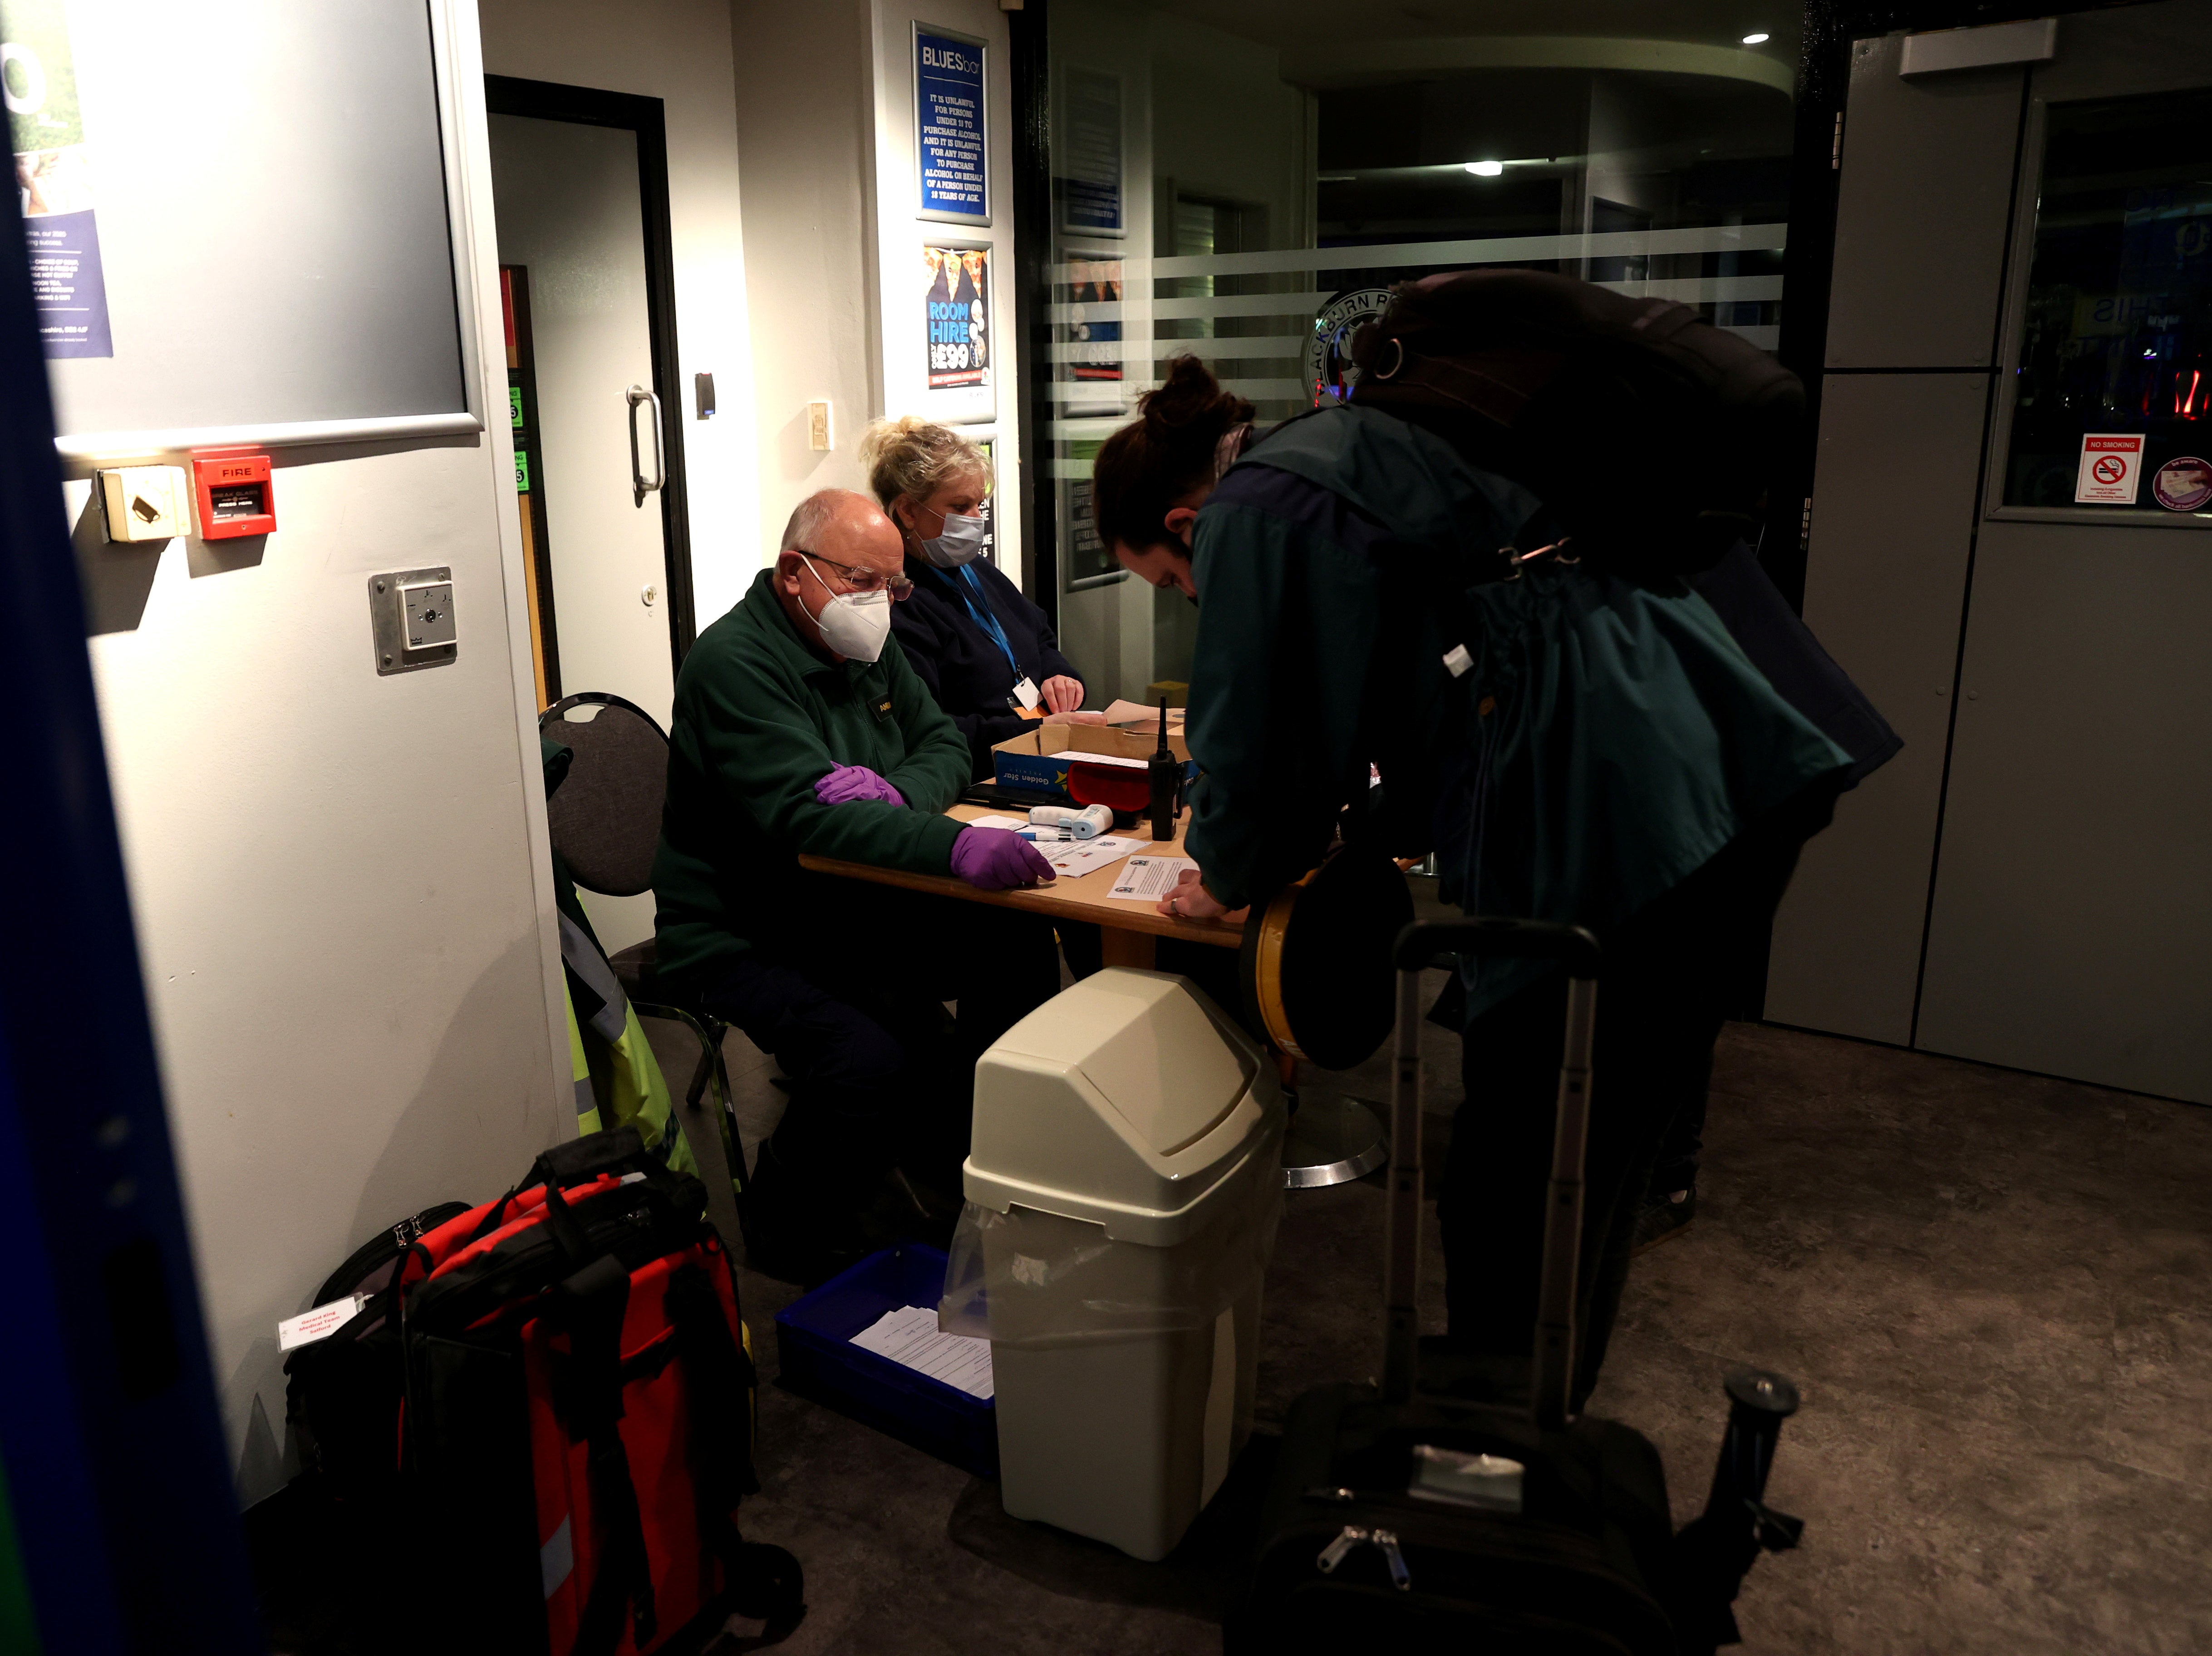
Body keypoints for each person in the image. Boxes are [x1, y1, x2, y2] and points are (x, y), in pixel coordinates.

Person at [1092, 354, 1855, 1405]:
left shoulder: (1260, 504)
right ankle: (1524, 1414)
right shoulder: (1349, 452)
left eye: (1177, 585)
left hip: (1631, 808)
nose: (1193, 596)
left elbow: (1260, 740)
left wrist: (1223, 867)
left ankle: (1493, 1449)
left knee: (1522, 1171)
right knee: (1575, 1159)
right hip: (1717, 749)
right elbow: (1417, 658)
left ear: (1184, 525)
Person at [650, 488, 1058, 1282]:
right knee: (869, 1058)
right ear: (794, 574)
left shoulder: (866, 645)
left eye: (892, 586)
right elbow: (812, 818)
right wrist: (949, 844)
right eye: (861, 581)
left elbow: (941, 740)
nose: (880, 603)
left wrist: (896, 793)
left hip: (850, 899)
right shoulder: (734, 663)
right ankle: (788, 1225)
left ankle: (979, 1155)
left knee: (1014, 944)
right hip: (743, 929)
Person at [861, 416, 1106, 779]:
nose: (976, 519)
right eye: (960, 507)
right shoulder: (897, 600)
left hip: (1037, 752)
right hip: (980, 773)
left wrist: (1060, 676)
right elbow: (929, 728)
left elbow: (1037, 635)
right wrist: (1037, 732)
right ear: (908, 511)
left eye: (979, 504)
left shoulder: (973, 569)